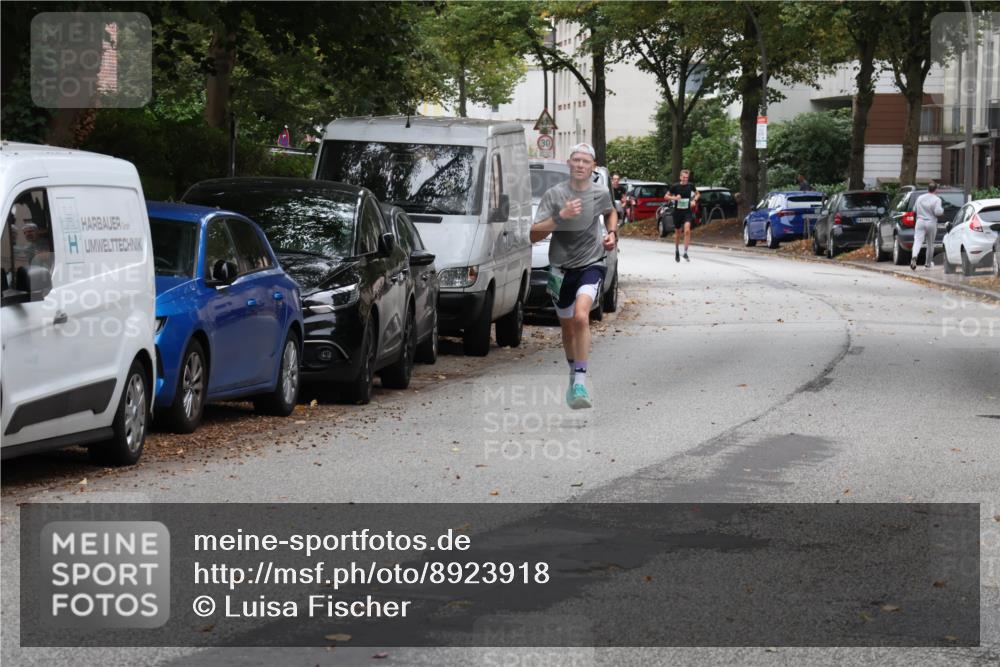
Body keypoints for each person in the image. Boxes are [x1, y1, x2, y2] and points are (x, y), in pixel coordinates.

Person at [531, 142, 617, 410]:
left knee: (582, 316)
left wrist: (611, 233)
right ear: (569, 164)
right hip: (560, 269)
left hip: (592, 263)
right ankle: (573, 374)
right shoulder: (554, 195)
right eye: (576, 160)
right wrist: (560, 217)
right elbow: (534, 234)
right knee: (567, 327)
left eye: (586, 161)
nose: (580, 165)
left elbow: (611, 211)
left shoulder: (600, 192)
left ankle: (580, 381)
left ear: (593, 167)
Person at [666, 169, 698, 262]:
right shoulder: (675, 186)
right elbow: (666, 196)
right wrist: (675, 198)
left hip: (687, 212)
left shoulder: (690, 186)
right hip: (677, 212)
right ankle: (676, 250)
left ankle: (685, 252)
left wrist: (694, 200)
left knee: (687, 230)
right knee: (678, 233)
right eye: (683, 177)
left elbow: (697, 194)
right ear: (680, 177)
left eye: (687, 178)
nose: (685, 179)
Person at [912, 182, 943, 270]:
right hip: (931, 222)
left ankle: (914, 256)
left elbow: (914, 209)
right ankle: (927, 264)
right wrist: (942, 211)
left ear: (928, 189)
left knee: (917, 241)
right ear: (936, 189)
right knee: (930, 244)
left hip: (920, 221)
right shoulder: (937, 199)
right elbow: (938, 212)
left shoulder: (920, 198)